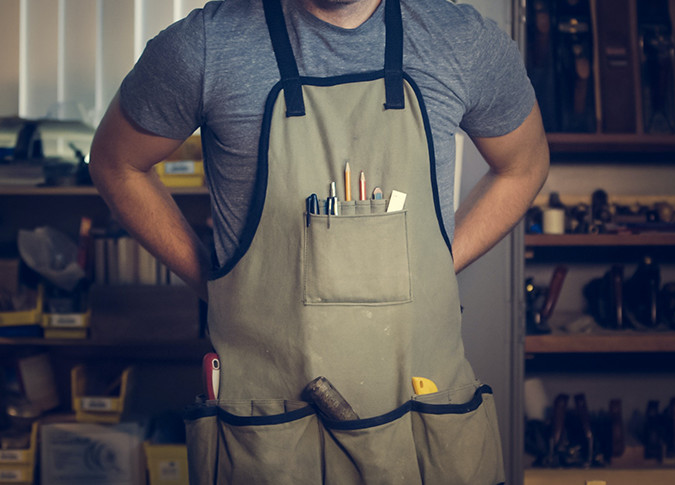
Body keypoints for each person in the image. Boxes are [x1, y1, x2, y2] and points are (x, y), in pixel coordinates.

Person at [90, 0, 549, 483]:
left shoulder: (461, 38)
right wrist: (219, 282)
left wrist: (435, 263)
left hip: (425, 430)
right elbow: (115, 163)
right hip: (272, 438)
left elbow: (524, 165)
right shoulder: (203, 46)